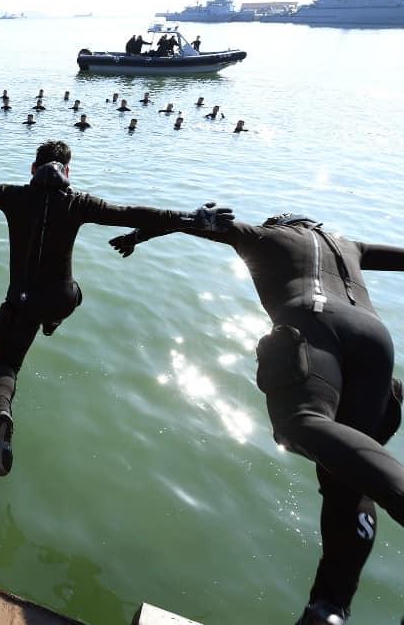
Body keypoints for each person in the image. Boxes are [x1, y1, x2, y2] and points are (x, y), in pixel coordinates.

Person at [108, 213, 404, 625]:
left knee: (300, 423)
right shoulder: (349, 244)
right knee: (348, 477)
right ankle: (331, 606)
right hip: (376, 339)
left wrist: (139, 235)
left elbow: (190, 221)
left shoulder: (264, 236)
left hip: (315, 320)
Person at [0, 141, 233, 476]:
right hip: (61, 299)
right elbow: (132, 213)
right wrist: (192, 218)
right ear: (68, 171)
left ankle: (2, 414)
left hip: (21, 301)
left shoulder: (13, 196)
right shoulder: (79, 203)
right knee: (74, 295)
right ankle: (52, 323)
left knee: (6, 364)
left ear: (33, 169)